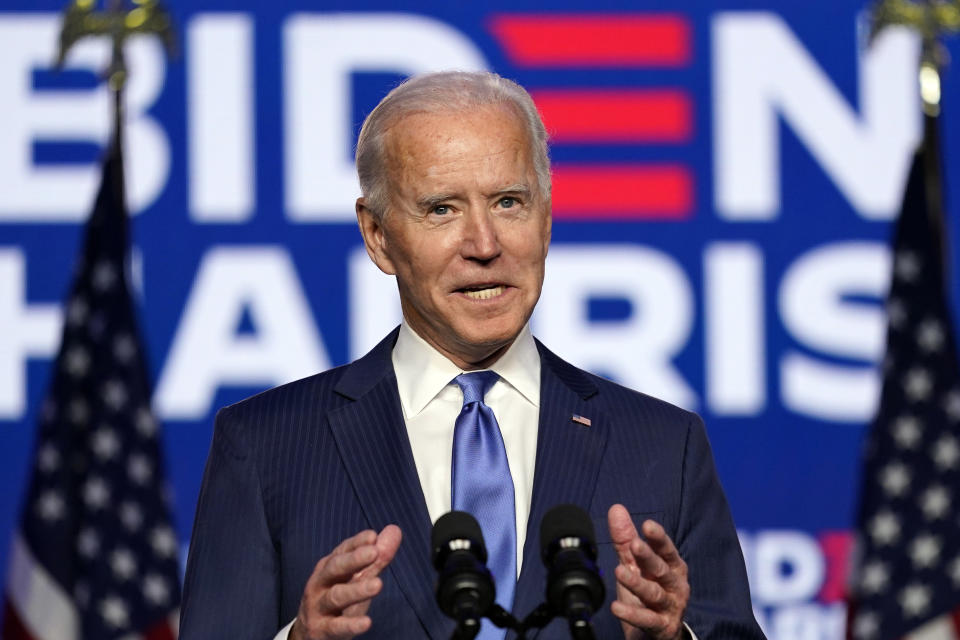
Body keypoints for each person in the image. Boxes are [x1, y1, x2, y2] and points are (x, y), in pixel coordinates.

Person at [179, 71, 764, 640]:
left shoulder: (665, 444)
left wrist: (674, 638)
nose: (485, 245)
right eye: (442, 209)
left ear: (547, 216)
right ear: (378, 236)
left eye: (509, 202)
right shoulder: (265, 447)